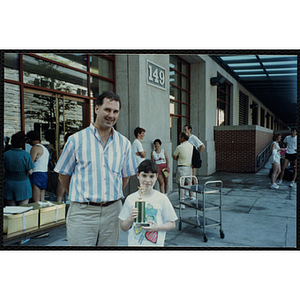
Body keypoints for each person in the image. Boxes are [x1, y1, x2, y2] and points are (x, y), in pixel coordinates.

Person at [54, 91, 138, 246]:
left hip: (113, 212)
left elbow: (125, 176)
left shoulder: (124, 143)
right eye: (107, 109)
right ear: (96, 108)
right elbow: (63, 175)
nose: (111, 115)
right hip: (83, 212)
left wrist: (111, 196)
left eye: (115, 111)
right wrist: (79, 194)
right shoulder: (76, 140)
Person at [119, 159, 177, 247]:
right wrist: (130, 218)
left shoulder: (162, 198)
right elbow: (123, 227)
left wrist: (157, 227)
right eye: (144, 175)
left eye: (151, 176)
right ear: (138, 175)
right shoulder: (131, 199)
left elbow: (172, 223)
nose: (147, 180)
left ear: (156, 176)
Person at [3, 132, 35, 206]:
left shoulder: (5, 154)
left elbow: (3, 171)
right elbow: (30, 172)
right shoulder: (26, 155)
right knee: (23, 210)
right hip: (23, 184)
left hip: (9, 183)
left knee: (11, 210)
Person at [183, 124, 205, 199]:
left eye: (185, 129)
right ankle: (186, 193)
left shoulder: (193, 138)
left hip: (191, 160)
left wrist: (197, 155)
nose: (184, 131)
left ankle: (194, 194)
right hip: (186, 160)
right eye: (183, 130)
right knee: (186, 177)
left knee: (192, 177)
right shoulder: (185, 139)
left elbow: (202, 146)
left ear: (190, 130)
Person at [172, 132, 193, 209]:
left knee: (181, 185)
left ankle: (182, 202)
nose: (179, 138)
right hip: (189, 167)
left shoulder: (179, 147)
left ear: (183, 138)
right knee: (189, 184)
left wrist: (178, 158)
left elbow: (174, 156)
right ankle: (192, 199)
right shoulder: (191, 146)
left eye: (180, 137)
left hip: (181, 167)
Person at [27, 130, 50, 202]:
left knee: (36, 200)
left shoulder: (35, 148)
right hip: (44, 173)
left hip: (36, 173)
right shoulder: (44, 148)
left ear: (29, 139)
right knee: (42, 199)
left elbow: (30, 163)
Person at [56, 132, 74, 203]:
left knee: (61, 195)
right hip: (65, 173)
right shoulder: (63, 150)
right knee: (60, 195)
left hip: (69, 174)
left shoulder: (64, 150)